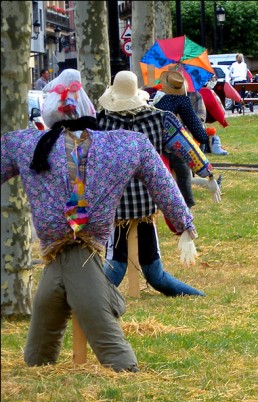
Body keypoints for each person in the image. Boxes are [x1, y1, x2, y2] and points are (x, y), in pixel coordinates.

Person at [1, 70, 196, 372]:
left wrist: (183, 221)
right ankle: (40, 359)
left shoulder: (27, 144)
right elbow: (163, 181)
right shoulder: (125, 144)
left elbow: (162, 181)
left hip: (81, 238)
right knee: (50, 298)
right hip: (80, 237)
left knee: (87, 303)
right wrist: (183, 222)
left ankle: (121, 364)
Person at [96, 70, 219, 298]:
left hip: (115, 205)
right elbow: (188, 148)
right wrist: (208, 175)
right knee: (154, 272)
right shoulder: (160, 119)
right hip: (147, 201)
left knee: (117, 266)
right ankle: (198, 296)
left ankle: (83, 300)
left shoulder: (100, 122)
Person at [153, 68, 210, 208]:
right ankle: (186, 206)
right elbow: (199, 132)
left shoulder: (156, 98)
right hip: (169, 146)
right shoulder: (181, 99)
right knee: (183, 171)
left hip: (151, 146)